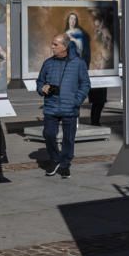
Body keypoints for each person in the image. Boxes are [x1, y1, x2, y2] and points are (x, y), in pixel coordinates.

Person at [36, 33, 90, 179]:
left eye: (55, 44)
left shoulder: (78, 63)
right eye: (52, 44)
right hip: (51, 106)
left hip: (70, 108)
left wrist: (76, 101)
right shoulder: (48, 63)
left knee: (68, 139)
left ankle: (65, 164)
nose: (52, 47)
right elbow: (39, 81)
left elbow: (85, 84)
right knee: (48, 134)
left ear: (64, 46)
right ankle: (54, 159)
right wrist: (42, 88)